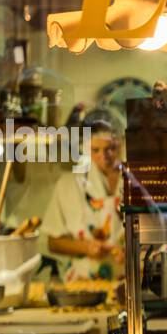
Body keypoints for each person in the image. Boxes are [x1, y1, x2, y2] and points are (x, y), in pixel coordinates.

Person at [43, 121, 125, 282]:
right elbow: (53, 243)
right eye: (96, 150)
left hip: (130, 283)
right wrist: (87, 248)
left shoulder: (135, 180)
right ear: (85, 148)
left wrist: (134, 251)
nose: (104, 156)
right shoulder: (69, 184)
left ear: (121, 144)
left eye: (110, 149)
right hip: (83, 284)